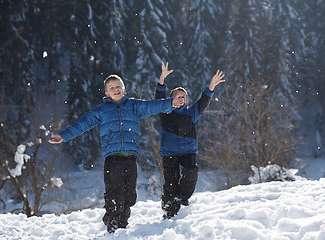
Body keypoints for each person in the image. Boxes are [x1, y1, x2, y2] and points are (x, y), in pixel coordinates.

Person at [48, 74, 183, 232]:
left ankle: (122, 222)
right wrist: (64, 136)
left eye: (118, 86)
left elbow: (152, 106)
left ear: (124, 89)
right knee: (115, 194)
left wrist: (171, 103)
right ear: (106, 93)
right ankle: (111, 221)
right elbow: (82, 124)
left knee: (130, 195)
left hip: (130, 158)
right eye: (111, 88)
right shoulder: (102, 110)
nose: (116, 90)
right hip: (112, 159)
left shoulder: (133, 106)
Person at [155, 62, 225, 219]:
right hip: (169, 152)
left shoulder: (191, 113)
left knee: (191, 172)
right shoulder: (165, 111)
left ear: (186, 101)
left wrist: (211, 86)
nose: (181, 98)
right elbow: (159, 98)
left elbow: (203, 102)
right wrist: (162, 81)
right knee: (170, 182)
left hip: (188, 151)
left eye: (183, 97)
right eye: (177, 96)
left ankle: (181, 199)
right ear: (171, 99)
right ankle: (169, 210)